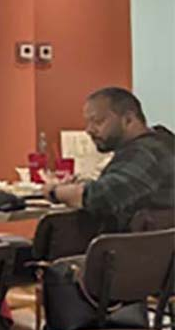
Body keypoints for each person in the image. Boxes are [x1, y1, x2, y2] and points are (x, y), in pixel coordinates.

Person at [43, 87, 175, 232]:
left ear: (128, 119)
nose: (89, 130)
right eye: (88, 122)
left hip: (132, 245)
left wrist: (55, 192)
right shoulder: (164, 142)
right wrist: (82, 185)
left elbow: (102, 197)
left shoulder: (144, 152)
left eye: (98, 121)